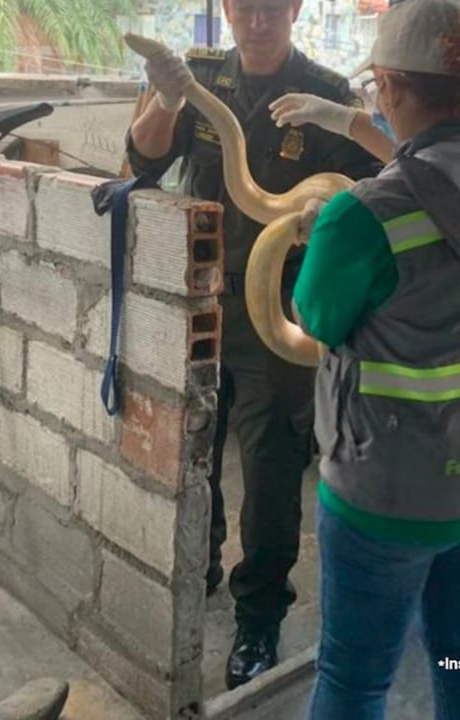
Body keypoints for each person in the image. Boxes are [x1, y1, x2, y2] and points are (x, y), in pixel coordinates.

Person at [286, 1, 460, 718]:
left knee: (354, 679)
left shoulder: (361, 215)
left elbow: (318, 320)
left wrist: (319, 235)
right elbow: (444, 176)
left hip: (398, 493)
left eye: (378, 93)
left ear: (391, 89)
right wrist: (345, 123)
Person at [125, 0, 383, 690]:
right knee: (194, 448)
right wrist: (168, 100)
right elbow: (142, 160)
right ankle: (199, 565)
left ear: (294, 8)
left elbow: (376, 196)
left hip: (283, 303)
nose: (258, 19)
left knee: (270, 465)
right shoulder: (197, 75)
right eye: (246, 5)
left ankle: (261, 614)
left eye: (273, 6)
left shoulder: (328, 95)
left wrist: (329, 209)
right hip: (197, 296)